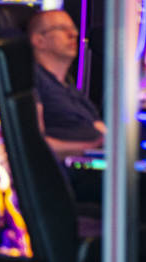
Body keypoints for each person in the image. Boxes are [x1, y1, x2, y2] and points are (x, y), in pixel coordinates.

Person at [27, 9, 105, 156]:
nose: (73, 34)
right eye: (62, 29)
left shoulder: (69, 87)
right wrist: (90, 147)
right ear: (38, 40)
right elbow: (33, 144)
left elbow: (99, 127)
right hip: (65, 173)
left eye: (73, 29)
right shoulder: (33, 80)